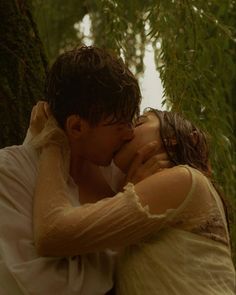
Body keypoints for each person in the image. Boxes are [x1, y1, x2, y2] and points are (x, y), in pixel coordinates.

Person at [30, 104, 236, 295]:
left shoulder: (185, 179)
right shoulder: (154, 204)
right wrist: (127, 191)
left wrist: (52, 142)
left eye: (138, 123)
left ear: (171, 138)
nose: (127, 132)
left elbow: (52, 232)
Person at [0, 45, 151, 294]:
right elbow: (42, 287)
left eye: (130, 120)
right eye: (119, 126)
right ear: (77, 127)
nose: (130, 133)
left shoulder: (117, 172)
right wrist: (122, 241)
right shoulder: (10, 173)